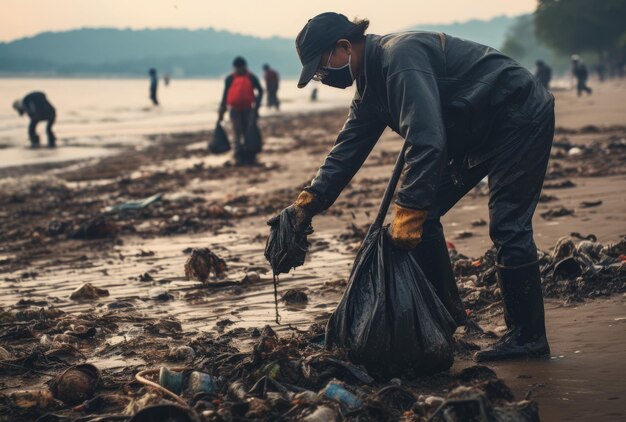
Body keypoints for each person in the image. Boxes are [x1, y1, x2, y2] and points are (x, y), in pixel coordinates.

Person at [273, 12, 555, 362]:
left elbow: (427, 140)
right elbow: (347, 150)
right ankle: (448, 317)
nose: (322, 77)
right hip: (474, 129)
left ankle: (528, 337)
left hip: (518, 114)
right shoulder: (370, 86)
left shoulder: (400, 59)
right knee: (425, 214)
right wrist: (308, 202)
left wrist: (409, 208)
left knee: (507, 224)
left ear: (344, 47)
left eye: (320, 68)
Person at [218, 57, 263, 165]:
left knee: (243, 131)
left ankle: (243, 154)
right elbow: (225, 96)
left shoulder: (235, 78)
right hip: (238, 109)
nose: (239, 70)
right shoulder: (247, 77)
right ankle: (241, 154)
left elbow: (260, 91)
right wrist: (222, 110)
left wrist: (256, 107)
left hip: (244, 109)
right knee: (240, 132)